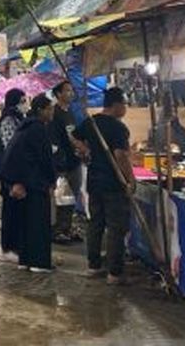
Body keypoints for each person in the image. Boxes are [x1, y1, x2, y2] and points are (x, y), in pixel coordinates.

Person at [75, 87, 135, 285]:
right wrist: (130, 179)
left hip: (94, 182)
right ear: (117, 104)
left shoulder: (92, 122)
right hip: (113, 184)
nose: (125, 108)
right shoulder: (118, 128)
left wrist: (85, 149)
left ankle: (94, 266)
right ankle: (114, 273)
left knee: (96, 224)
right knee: (116, 228)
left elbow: (74, 136)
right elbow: (121, 155)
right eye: (125, 104)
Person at [2, 96, 56, 272]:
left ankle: (25, 259)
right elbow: (45, 158)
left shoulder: (24, 127)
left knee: (25, 223)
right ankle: (38, 261)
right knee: (38, 224)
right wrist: (51, 179)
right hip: (36, 183)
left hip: (25, 183)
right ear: (41, 110)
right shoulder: (37, 130)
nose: (51, 112)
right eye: (49, 109)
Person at [0, 88, 26, 263]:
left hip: (17, 171)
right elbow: (9, 146)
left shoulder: (19, 118)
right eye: (22, 100)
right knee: (10, 210)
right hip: (10, 172)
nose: (24, 103)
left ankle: (16, 245)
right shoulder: (8, 120)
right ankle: (8, 247)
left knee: (17, 210)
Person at [49, 80, 86, 243]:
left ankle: (67, 228)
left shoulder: (69, 112)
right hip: (62, 164)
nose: (71, 93)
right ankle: (58, 230)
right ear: (58, 94)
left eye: (72, 90)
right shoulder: (54, 113)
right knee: (61, 197)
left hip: (74, 161)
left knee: (73, 196)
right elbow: (54, 140)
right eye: (67, 91)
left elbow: (73, 135)